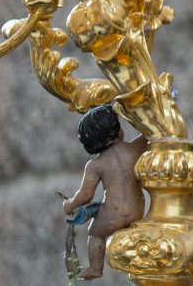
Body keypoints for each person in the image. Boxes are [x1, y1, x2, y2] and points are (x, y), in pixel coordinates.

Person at [60, 108, 144, 282]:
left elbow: (85, 195)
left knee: (95, 233)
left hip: (113, 215)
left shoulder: (95, 165)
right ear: (117, 129)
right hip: (137, 211)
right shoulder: (134, 149)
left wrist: (69, 204)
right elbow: (148, 136)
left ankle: (96, 268)